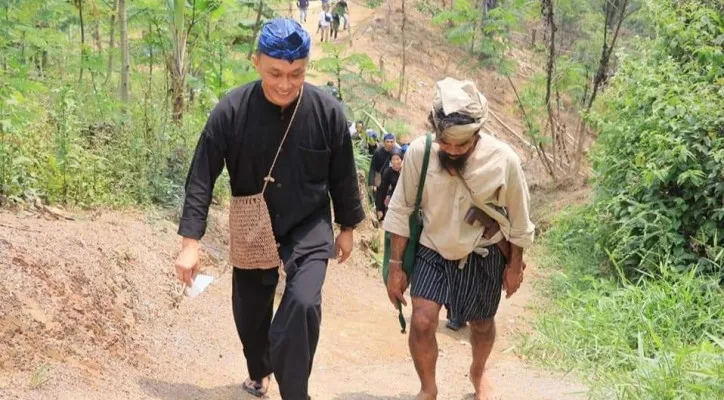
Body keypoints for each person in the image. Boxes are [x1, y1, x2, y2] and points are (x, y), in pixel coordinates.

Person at [174, 18, 364, 400]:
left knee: (304, 303)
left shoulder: (327, 112)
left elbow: (344, 174)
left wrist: (346, 226)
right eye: (275, 72)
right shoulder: (230, 111)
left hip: (309, 223)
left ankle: (295, 392)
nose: (285, 84)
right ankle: (260, 370)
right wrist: (190, 241)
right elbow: (201, 177)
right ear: (256, 61)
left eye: (296, 74)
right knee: (250, 313)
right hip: (252, 224)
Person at [383, 77, 535, 400]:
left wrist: (514, 266)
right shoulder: (420, 154)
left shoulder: (503, 161)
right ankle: (428, 387)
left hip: (482, 252)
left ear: (477, 134)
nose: (451, 150)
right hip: (432, 248)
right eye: (445, 142)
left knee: (481, 325)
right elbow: (400, 210)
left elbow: (520, 221)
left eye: (461, 144)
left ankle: (478, 371)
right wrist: (396, 266)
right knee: (422, 322)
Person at [375, 148, 403, 221]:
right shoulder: (388, 172)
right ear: (390, 161)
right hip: (393, 199)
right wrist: (380, 208)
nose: (396, 161)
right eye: (393, 159)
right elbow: (382, 190)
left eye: (398, 159)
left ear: (401, 159)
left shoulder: (406, 170)